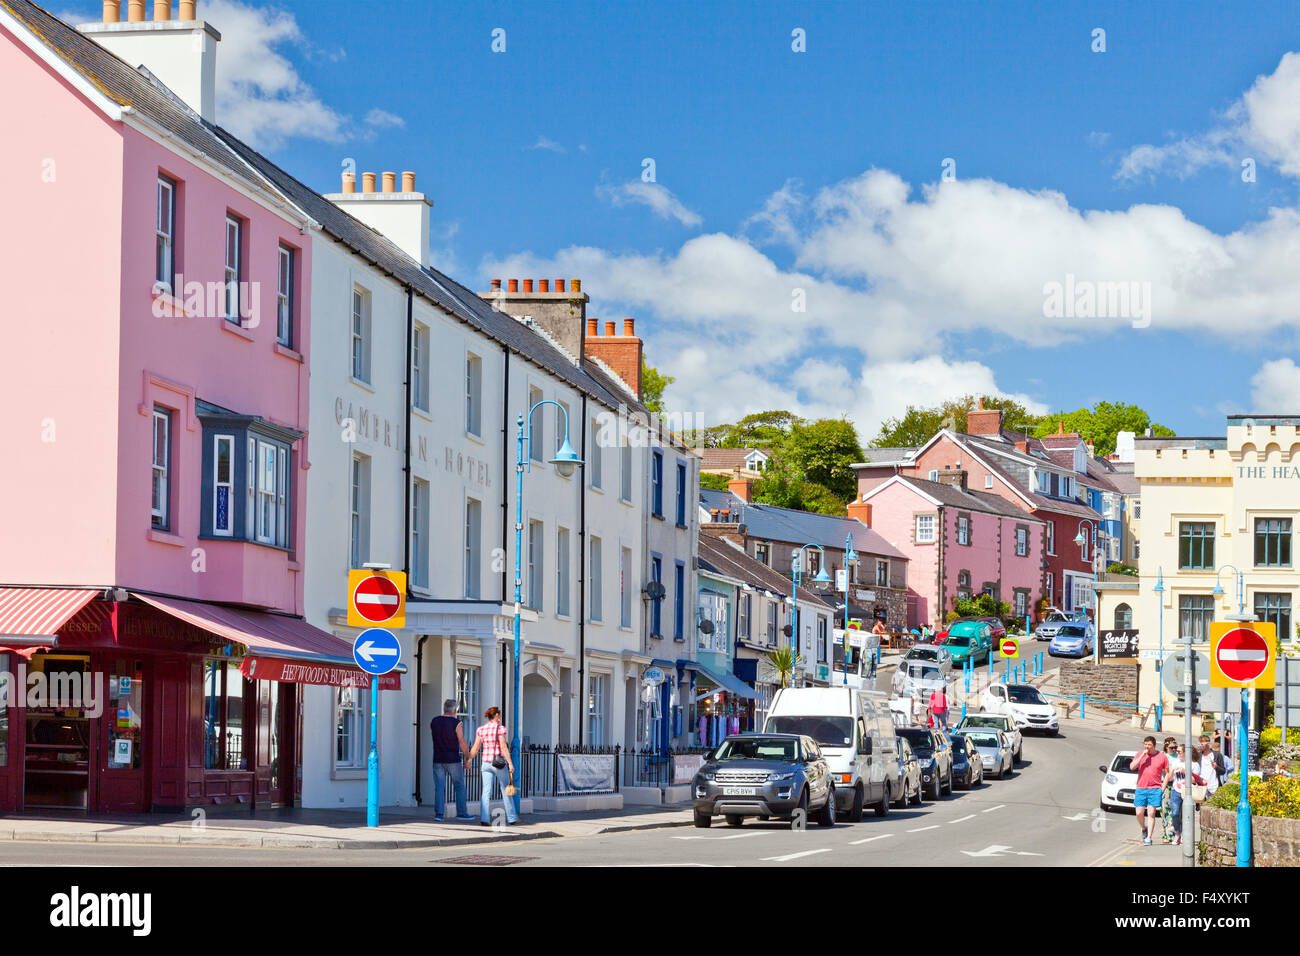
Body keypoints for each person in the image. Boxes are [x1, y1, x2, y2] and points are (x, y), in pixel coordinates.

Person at [465, 706, 518, 826]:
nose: (500, 717)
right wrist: (510, 763)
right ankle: (512, 817)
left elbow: (475, 747)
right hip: (497, 763)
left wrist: (469, 760)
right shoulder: (500, 728)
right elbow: (504, 747)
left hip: (485, 763)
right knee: (505, 790)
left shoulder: (481, 729)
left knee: (486, 791)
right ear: (496, 715)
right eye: (499, 714)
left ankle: (484, 818)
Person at [430, 699, 474, 822]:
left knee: (439, 787)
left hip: (438, 758)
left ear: (444, 709)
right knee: (459, 785)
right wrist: (468, 757)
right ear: (454, 710)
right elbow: (462, 741)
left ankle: (439, 814)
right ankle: (462, 812)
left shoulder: (434, 721)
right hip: (452, 759)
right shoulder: (456, 723)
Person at [1129, 735, 1169, 846]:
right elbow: (1132, 767)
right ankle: (1143, 828)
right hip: (1141, 788)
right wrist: (1142, 755)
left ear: (1154, 745)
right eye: (1145, 744)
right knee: (1139, 813)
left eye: (1149, 745)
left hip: (1155, 789)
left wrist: (1163, 788)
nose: (1147, 747)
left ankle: (1149, 837)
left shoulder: (1162, 757)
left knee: (1151, 813)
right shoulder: (1140, 754)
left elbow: (1167, 774)